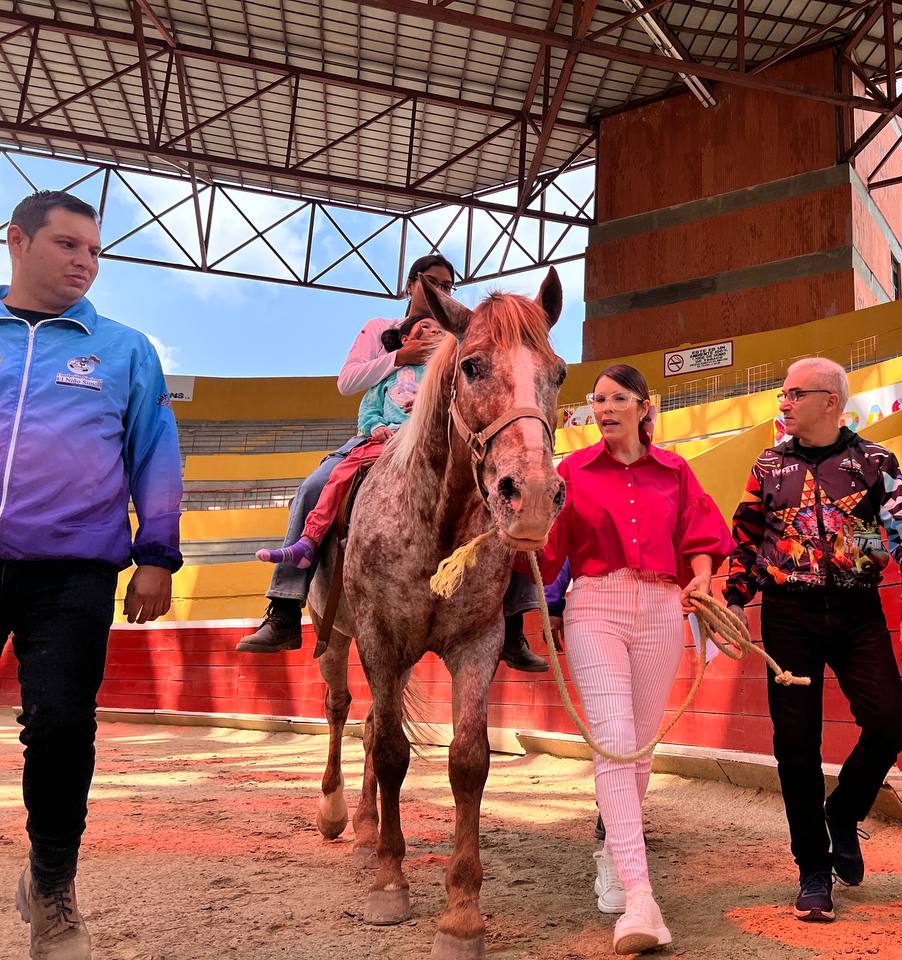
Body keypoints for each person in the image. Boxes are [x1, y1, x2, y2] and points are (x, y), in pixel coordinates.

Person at [1, 190, 183, 959]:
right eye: (69, 245)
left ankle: (52, 888)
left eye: (94, 251)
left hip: (74, 566)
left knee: (64, 726)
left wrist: (156, 555)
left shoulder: (125, 349)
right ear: (16, 241)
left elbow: (155, 454)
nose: (85, 263)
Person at [237, 255, 548, 672]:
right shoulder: (379, 330)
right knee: (314, 486)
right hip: (380, 438)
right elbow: (348, 382)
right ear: (409, 284)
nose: (441, 291)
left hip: (446, 445)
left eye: (448, 285)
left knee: (506, 496)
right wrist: (402, 357)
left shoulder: (465, 329)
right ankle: (285, 607)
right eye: (432, 281)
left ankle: (513, 619)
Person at [520, 364, 732, 955]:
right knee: (614, 739)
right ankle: (640, 896)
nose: (605, 408)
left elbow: (700, 536)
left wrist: (702, 582)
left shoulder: (677, 472)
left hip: (665, 607)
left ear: (644, 406)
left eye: (617, 398)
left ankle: (615, 855)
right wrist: (521, 528)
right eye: (597, 400)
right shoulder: (571, 471)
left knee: (639, 746)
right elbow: (549, 549)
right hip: (596, 605)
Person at [723, 357, 902, 923]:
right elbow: (745, 541)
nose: (783, 403)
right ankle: (813, 870)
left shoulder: (874, 462)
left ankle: (842, 811)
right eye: (783, 393)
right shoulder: (768, 466)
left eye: (794, 393)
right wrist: (731, 602)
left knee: (890, 722)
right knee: (796, 744)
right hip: (788, 613)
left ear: (830, 402)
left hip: (857, 609)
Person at [254, 315, 443, 569]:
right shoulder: (388, 374)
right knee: (342, 472)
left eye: (440, 330)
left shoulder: (448, 372)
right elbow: (369, 410)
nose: (434, 331)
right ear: (405, 339)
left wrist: (431, 406)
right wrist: (376, 427)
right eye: (426, 327)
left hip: (432, 438)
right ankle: (309, 540)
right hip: (389, 439)